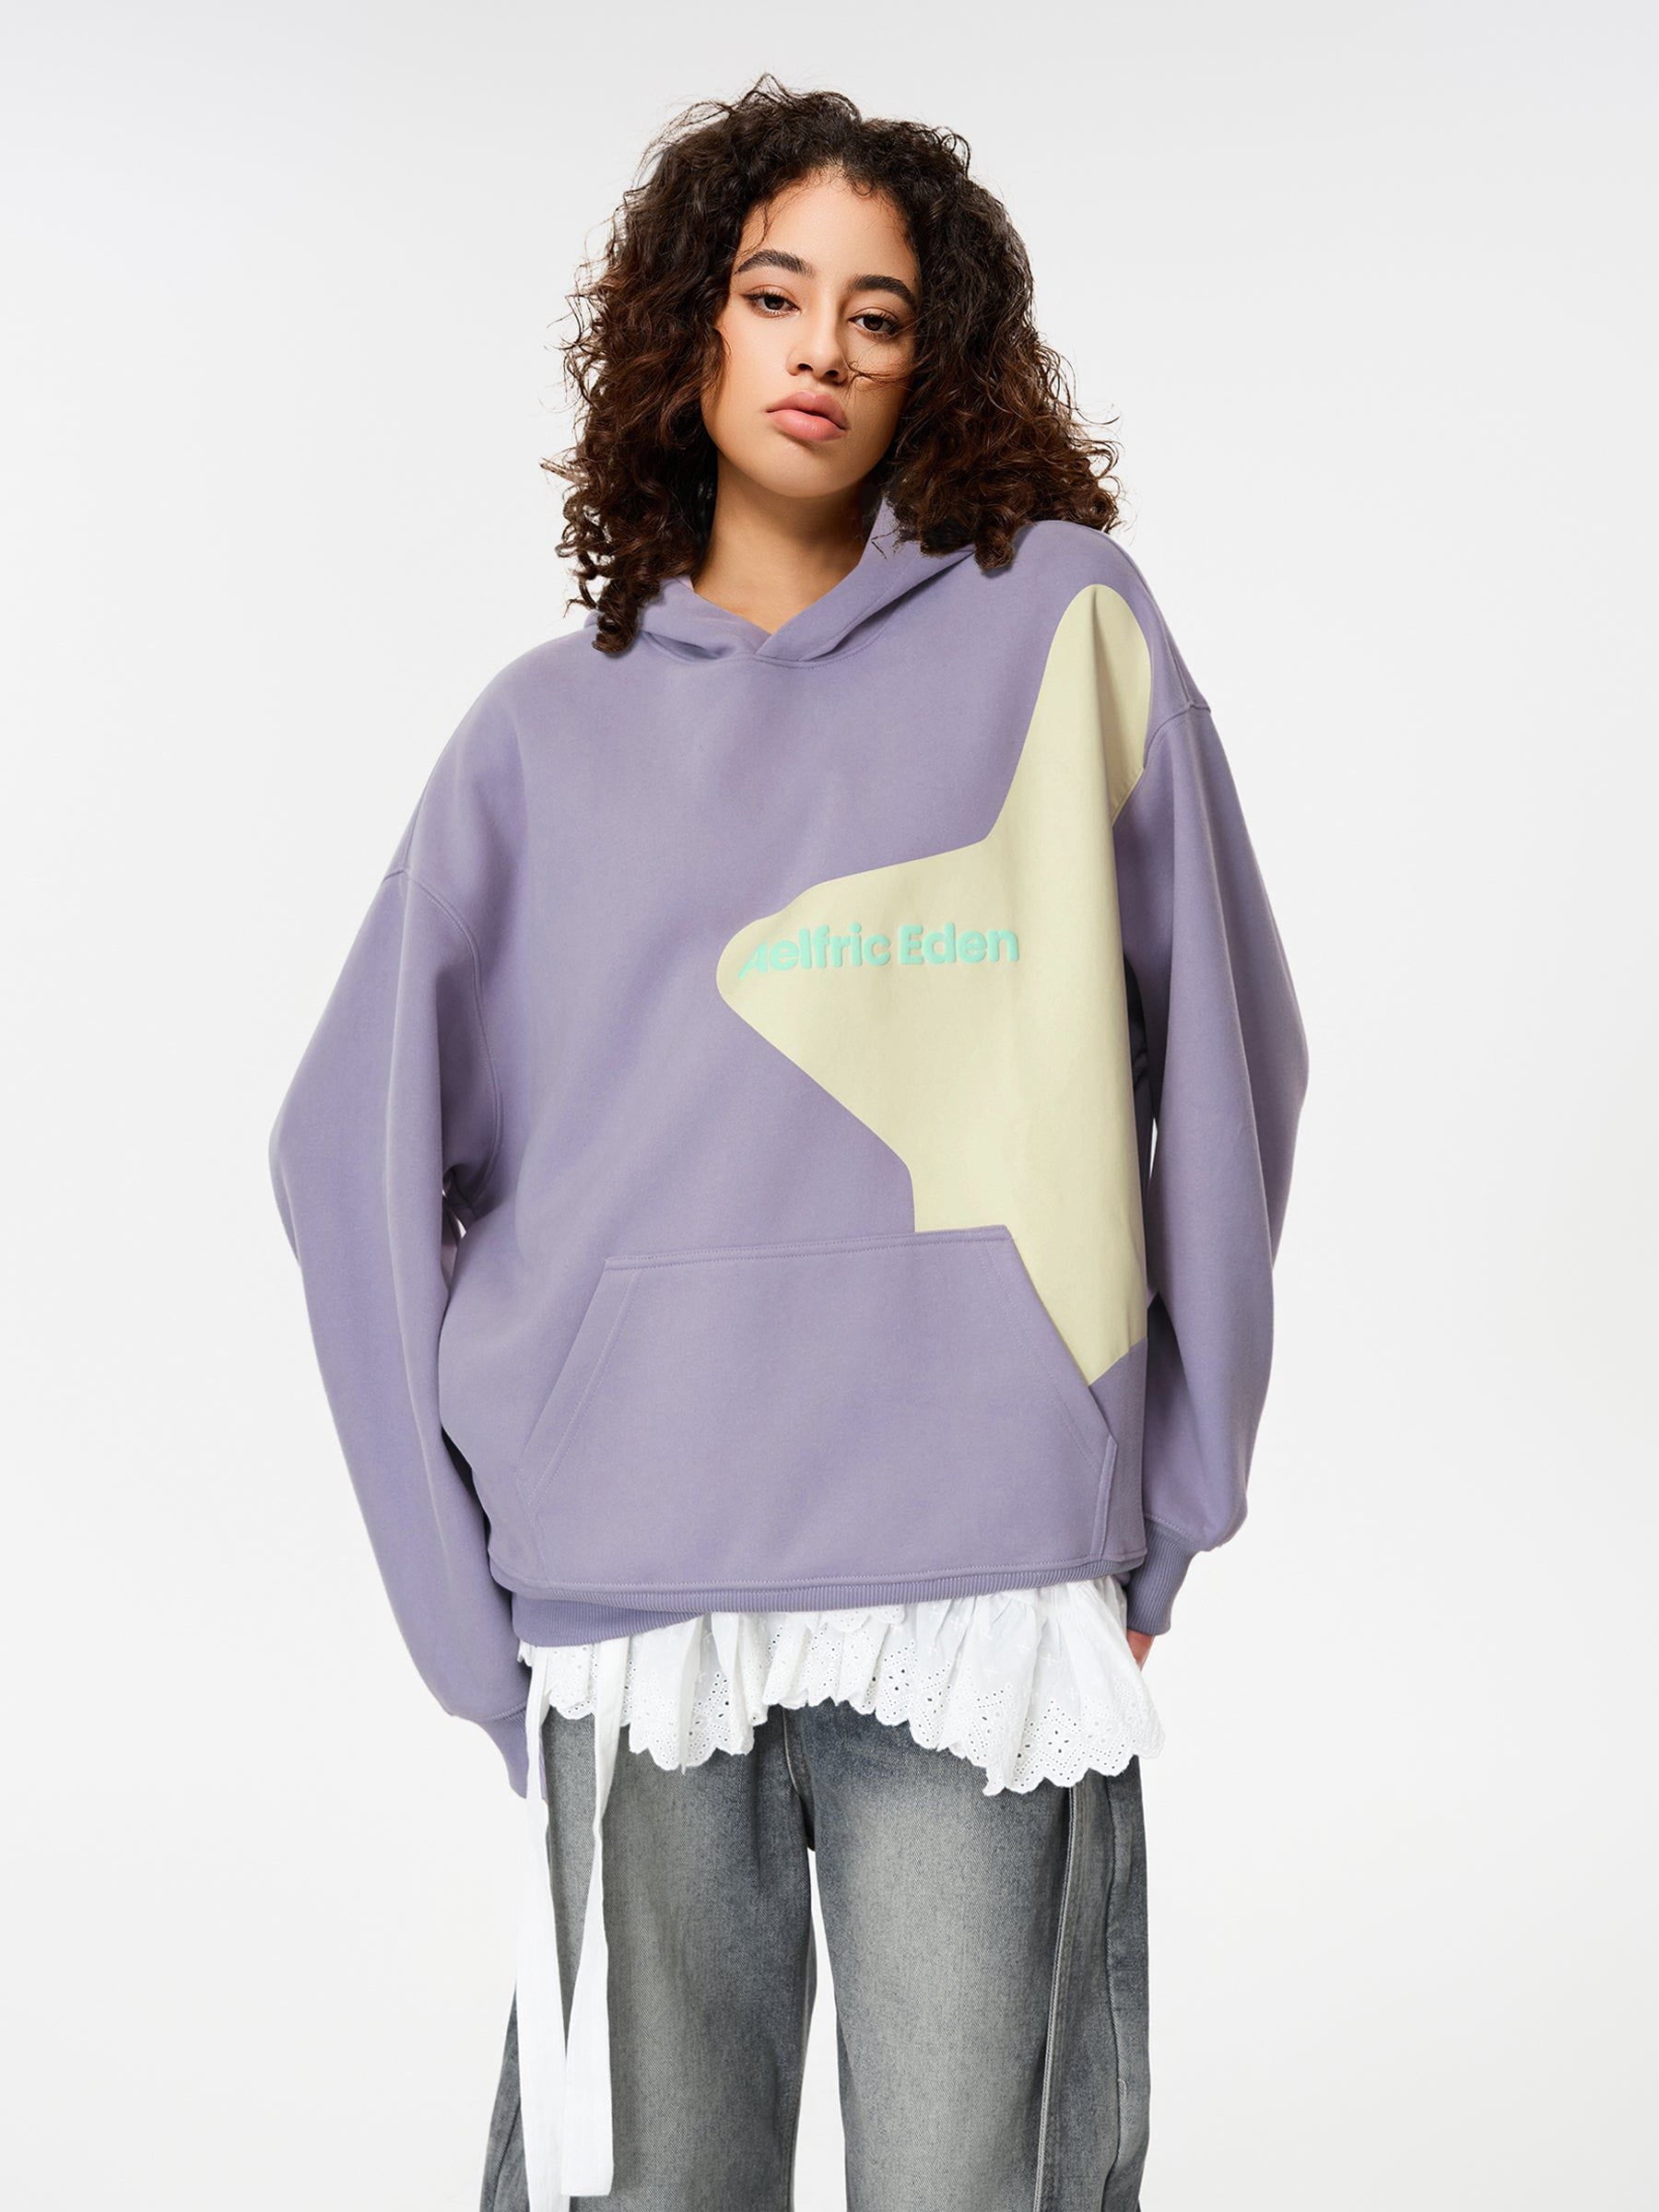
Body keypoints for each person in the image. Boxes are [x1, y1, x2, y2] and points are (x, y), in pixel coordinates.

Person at [267, 77, 1310, 2212]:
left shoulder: (1068, 632)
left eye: (881, 313)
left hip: (991, 1580)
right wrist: (462, 1612)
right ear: (690, 326)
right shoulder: (542, 733)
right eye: (774, 292)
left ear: (944, 361)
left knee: (981, 2185)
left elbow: (1230, 1063)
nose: (824, 346)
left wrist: (1173, 1498)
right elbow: (340, 1160)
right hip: (636, 1599)